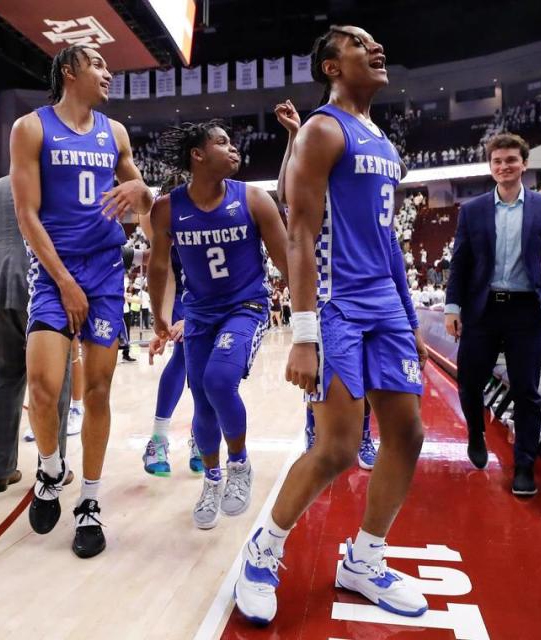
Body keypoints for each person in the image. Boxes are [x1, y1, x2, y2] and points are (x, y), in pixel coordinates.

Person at [234, 26, 427, 624]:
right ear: (331, 65)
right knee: (339, 448)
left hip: (385, 306)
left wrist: (408, 313)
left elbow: (389, 242)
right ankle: (262, 552)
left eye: (378, 42)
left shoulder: (385, 143)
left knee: (408, 435)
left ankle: (363, 561)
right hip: (339, 303)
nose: (377, 48)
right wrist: (304, 332)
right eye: (360, 44)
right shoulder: (322, 129)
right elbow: (300, 235)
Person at [10, 44, 152, 558]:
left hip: (107, 272)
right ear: (70, 71)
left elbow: (140, 196)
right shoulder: (30, 128)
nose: (109, 72)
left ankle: (89, 502)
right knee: (44, 389)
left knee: (97, 390)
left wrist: (143, 193)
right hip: (55, 272)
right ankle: (50, 469)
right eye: (98, 64)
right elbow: (27, 215)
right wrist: (65, 281)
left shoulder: (114, 133)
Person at [148, 120, 288, 530]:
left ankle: (239, 465)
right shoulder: (167, 208)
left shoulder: (256, 200)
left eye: (232, 142)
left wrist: (308, 323)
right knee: (202, 399)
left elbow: (285, 261)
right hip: (198, 313)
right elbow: (158, 266)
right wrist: (160, 315)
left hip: (246, 306)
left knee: (219, 380)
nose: (234, 149)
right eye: (222, 143)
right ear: (198, 154)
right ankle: (211, 477)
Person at [445, 132, 541, 496]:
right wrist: (453, 307)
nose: (504, 167)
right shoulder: (473, 209)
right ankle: (476, 433)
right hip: (481, 310)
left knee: (527, 392)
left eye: (511, 160)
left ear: (524, 164)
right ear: (490, 166)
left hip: (526, 311)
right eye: (497, 161)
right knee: (468, 384)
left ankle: (524, 465)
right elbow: (460, 263)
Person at [273, 97, 378, 469]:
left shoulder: (353, 174)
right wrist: (294, 136)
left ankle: (364, 435)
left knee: (361, 371)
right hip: (319, 285)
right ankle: (313, 432)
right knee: (314, 370)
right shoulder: (308, 170)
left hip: (356, 282)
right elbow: (285, 190)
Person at [0, 175, 76, 493]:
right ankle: (53, 464)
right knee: (55, 382)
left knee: (5, 379)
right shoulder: (54, 181)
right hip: (41, 285)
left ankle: (2, 470)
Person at [141, 174, 204, 477]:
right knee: (183, 355)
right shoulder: (161, 221)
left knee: (208, 370)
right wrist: (163, 323)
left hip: (216, 297)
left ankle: (201, 436)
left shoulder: (209, 220)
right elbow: (164, 274)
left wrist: (191, 318)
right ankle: (158, 440)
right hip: (181, 293)